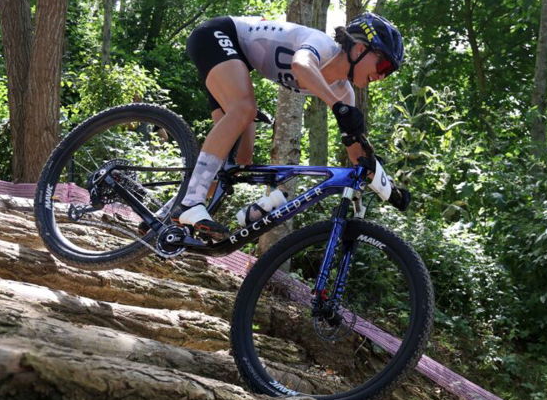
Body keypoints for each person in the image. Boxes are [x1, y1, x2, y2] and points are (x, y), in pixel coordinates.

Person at [173, 12, 406, 241]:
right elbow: (301, 65)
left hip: (239, 61)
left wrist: (387, 187)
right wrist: (336, 107)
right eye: (383, 64)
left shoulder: (344, 93)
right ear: (359, 48)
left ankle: (166, 218)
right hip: (219, 34)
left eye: (389, 72)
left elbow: (357, 154)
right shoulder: (322, 45)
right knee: (244, 109)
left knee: (237, 161)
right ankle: (190, 203)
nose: (382, 75)